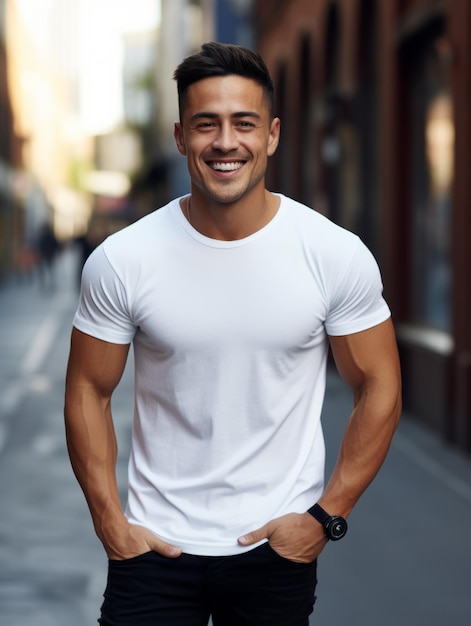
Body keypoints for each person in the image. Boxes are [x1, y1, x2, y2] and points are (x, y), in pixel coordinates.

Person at [64, 42, 401, 625]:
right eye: (205, 125)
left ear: (271, 135)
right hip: (153, 550)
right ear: (179, 137)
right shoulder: (124, 259)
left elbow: (379, 385)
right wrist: (110, 523)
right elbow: (88, 391)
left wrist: (325, 518)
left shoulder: (333, 254)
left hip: (276, 549)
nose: (225, 142)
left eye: (243, 123)